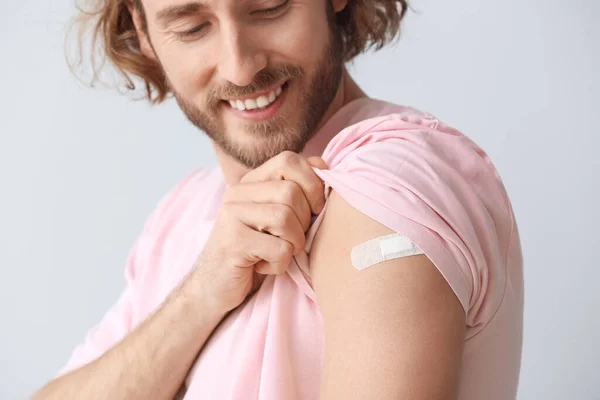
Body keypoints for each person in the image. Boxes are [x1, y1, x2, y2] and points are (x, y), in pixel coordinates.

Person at [32, 0, 524, 399]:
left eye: (269, 8)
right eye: (191, 26)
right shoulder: (186, 213)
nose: (241, 67)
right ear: (143, 30)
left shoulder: (390, 186)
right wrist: (203, 294)